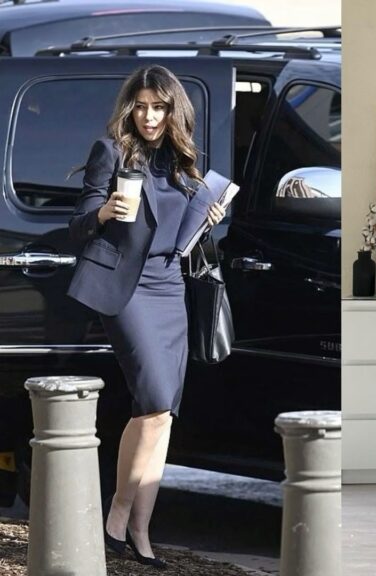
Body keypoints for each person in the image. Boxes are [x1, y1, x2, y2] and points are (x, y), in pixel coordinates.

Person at [67, 65, 225, 567]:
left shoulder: (183, 162)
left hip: (169, 288)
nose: (150, 117)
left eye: (159, 107)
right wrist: (105, 211)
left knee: (161, 415)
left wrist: (208, 221)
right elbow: (78, 223)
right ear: (130, 108)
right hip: (128, 290)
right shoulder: (110, 152)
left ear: (174, 110)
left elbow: (180, 238)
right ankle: (116, 515)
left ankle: (140, 531)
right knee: (154, 400)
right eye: (141, 107)